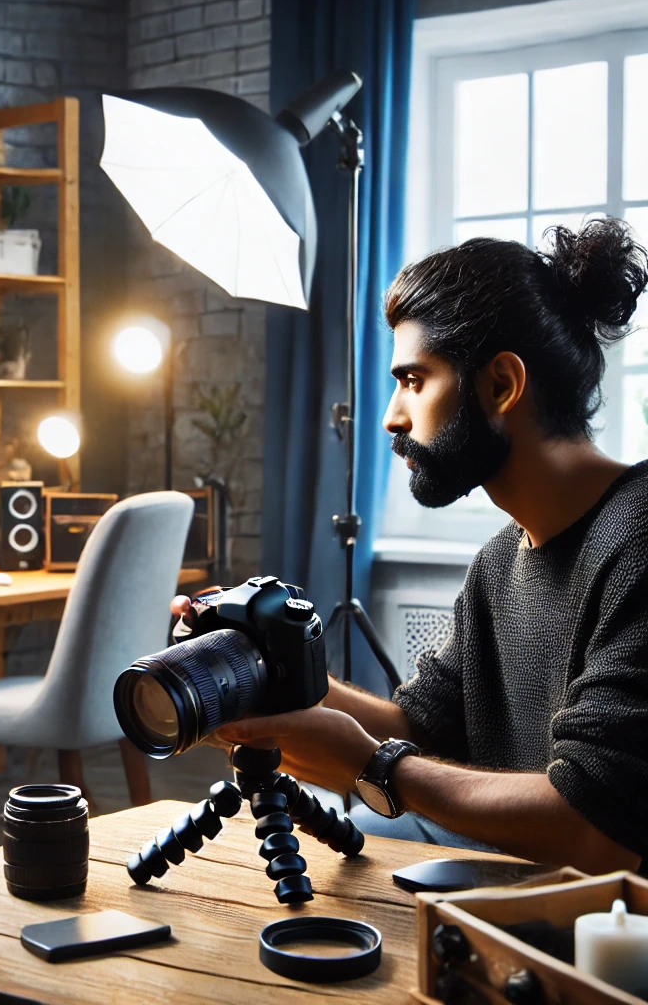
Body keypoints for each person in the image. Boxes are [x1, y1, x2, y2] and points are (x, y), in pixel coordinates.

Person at [175, 219, 648, 875]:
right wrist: (259, 662)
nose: (393, 416)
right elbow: (419, 726)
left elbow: (600, 827)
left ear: (501, 386)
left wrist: (372, 766)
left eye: (414, 380)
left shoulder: (638, 541)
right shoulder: (499, 564)